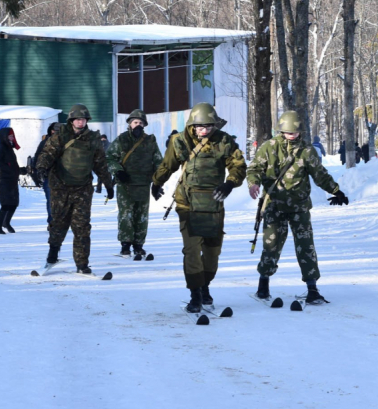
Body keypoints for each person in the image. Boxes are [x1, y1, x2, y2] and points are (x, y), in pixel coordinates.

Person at [152, 103, 247, 313]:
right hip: (187, 203)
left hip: (213, 204)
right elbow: (167, 165)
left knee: (212, 252)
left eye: (209, 126)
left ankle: (205, 285)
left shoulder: (224, 141)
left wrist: (230, 183)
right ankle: (195, 293)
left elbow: (238, 165)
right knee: (192, 250)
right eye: (200, 126)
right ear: (192, 125)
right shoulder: (180, 141)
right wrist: (157, 182)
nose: (204, 130)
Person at [248, 111, 349, 305]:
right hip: (274, 205)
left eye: (295, 131)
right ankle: (263, 285)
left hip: (299, 207)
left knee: (306, 246)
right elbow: (254, 169)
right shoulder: (269, 147)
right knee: (271, 245)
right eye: (288, 131)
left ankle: (312, 288)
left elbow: (320, 175)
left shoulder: (306, 150)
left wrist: (336, 191)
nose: (292, 134)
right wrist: (253, 183)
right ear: (281, 130)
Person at [35, 104, 114, 274]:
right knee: (58, 224)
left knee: (82, 227)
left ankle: (82, 264)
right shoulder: (60, 136)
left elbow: (100, 163)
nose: (81, 121)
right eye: (78, 119)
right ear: (71, 120)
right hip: (60, 187)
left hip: (83, 189)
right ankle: (52, 256)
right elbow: (47, 154)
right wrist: (41, 168)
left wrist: (108, 183)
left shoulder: (93, 139)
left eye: (84, 119)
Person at [106, 109, 163, 259]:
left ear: (144, 125)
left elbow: (158, 162)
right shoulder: (122, 140)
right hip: (125, 185)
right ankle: (125, 245)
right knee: (126, 215)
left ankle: (139, 246)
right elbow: (110, 158)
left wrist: (158, 182)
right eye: (135, 122)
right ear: (130, 124)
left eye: (140, 123)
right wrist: (118, 171)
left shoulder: (150, 141)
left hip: (143, 184)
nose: (138, 125)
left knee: (141, 216)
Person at [0, 127, 27, 234]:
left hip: (11, 179)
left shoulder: (9, 148)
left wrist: (20, 170)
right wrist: (10, 169)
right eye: (10, 136)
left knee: (14, 203)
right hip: (3, 180)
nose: (12, 138)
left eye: (13, 136)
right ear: (4, 137)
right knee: (5, 204)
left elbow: (12, 164)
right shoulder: (1, 147)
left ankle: (6, 223)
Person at [33, 122, 59, 229]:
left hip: (63, 176)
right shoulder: (44, 143)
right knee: (51, 200)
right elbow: (36, 159)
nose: (55, 132)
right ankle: (52, 222)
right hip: (48, 176)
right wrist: (36, 175)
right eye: (54, 130)